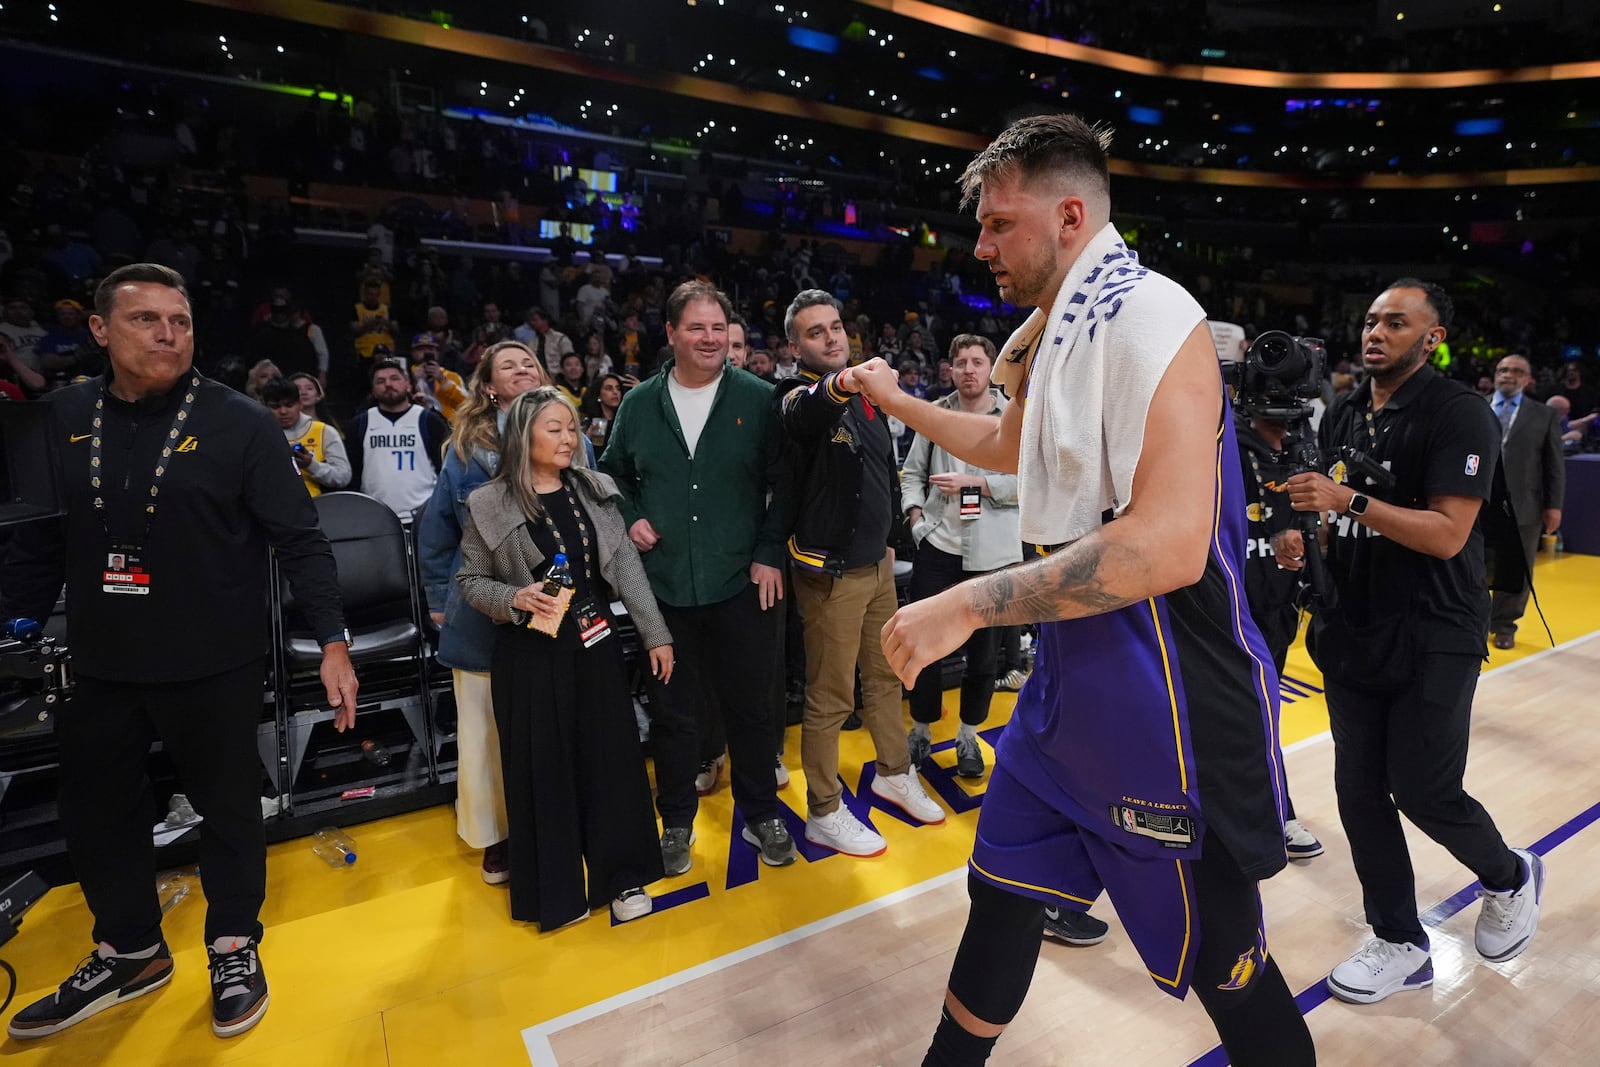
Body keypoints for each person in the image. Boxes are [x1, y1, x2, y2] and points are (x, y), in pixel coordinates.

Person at [847, 114, 1314, 1066]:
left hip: (1167, 696)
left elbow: (1170, 546)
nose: (979, 246)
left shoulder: (1148, 315)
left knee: (1229, 965)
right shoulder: (1067, 325)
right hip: (1066, 693)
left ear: (1068, 215)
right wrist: (894, 400)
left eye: (998, 224)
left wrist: (971, 602)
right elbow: (1007, 444)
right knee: (1003, 899)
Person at [1, 263, 357, 1041]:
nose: (168, 334)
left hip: (216, 659)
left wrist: (333, 639)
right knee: (98, 813)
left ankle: (233, 943)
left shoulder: (240, 421)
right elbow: (31, 548)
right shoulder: (57, 418)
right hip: (98, 660)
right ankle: (130, 949)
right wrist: (14, 629)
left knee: (230, 809)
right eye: (146, 320)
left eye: (181, 321)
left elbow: (300, 540)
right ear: (99, 329)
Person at [1285, 280, 1544, 1004]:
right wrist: (1303, 541)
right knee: (1358, 790)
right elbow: (1326, 512)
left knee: (1425, 788)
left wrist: (1350, 501)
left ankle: (1510, 876)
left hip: (1435, 626)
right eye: (1370, 320)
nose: (1375, 332)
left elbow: (1449, 532)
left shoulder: (1459, 412)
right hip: (1353, 626)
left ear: (1431, 338)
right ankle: (1399, 937)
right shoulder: (1340, 411)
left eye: (1396, 322)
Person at [599, 280, 798, 875]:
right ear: (671, 334)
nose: (709, 338)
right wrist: (631, 517)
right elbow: (610, 477)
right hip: (665, 589)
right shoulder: (637, 406)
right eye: (696, 328)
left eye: (718, 328)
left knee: (755, 709)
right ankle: (678, 821)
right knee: (673, 712)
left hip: (743, 579)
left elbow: (786, 483)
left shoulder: (760, 398)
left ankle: (761, 811)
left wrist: (769, 550)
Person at [455, 387, 673, 929]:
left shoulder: (594, 490)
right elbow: (469, 580)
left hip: (593, 647)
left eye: (572, 428)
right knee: (543, 771)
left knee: (612, 763)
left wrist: (655, 635)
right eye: (554, 428)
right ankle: (557, 892)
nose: (568, 438)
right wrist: (511, 599)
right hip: (529, 655)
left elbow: (625, 569)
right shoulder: (488, 502)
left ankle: (623, 879)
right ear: (523, 435)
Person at [776, 289, 945, 858]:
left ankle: (893, 772)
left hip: (877, 566)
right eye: (816, 332)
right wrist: (845, 383)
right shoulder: (795, 394)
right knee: (829, 698)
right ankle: (823, 810)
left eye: (835, 327)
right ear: (795, 345)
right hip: (831, 574)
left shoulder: (868, 396)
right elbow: (807, 412)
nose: (831, 337)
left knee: (886, 677)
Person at [419, 341, 547, 884]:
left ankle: (550, 824)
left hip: (551, 602)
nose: (522, 369)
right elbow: (438, 530)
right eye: (509, 365)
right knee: (483, 729)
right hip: (478, 605)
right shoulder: (466, 449)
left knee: (547, 720)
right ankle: (498, 837)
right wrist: (435, 599)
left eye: (530, 363)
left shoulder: (570, 435)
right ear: (489, 387)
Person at [900, 334, 1020, 781]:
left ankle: (969, 735)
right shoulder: (935, 413)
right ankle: (920, 729)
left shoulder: (1012, 416)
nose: (968, 369)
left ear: (991, 368)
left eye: (977, 361)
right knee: (925, 646)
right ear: (949, 368)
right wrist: (915, 519)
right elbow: (911, 473)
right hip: (939, 546)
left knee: (984, 655)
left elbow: (1030, 481)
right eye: (960, 362)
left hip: (992, 552)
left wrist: (983, 486)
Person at [1231, 409, 1324, 860]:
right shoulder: (1221, 441)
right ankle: (1276, 809)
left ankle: (1273, 808)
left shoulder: (1301, 448)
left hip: (1277, 610)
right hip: (1223, 608)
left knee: (1262, 715)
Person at [1486, 354, 1563, 649]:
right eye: (1503, 370)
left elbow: (1554, 465)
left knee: (1515, 569)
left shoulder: (1543, 415)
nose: (1509, 375)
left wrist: (1554, 504)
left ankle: (1505, 625)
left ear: (1527, 379)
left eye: (1517, 371)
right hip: (1477, 501)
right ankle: (1475, 621)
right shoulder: (1475, 407)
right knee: (1474, 567)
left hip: (1525, 503)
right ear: (1495, 374)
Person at [345, 359, 451, 521]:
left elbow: (445, 467)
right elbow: (353, 472)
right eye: (381, 381)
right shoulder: (360, 423)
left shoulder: (429, 421)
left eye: (394, 378)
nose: (388, 384)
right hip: (376, 515)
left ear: (408, 384)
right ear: (373, 390)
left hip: (425, 514)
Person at [261, 375, 350, 496]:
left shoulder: (325, 432)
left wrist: (311, 465)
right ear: (265, 407)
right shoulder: (258, 436)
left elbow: (342, 477)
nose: (283, 411)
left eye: (289, 405)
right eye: (275, 406)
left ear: (299, 404)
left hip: (319, 508)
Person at [409, 334, 469, 423]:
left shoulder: (451, 376)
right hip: (416, 423)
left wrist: (443, 380)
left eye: (430, 349)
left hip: (448, 426)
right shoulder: (406, 375)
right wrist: (414, 380)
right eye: (421, 349)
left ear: (437, 353)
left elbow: (466, 403)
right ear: (413, 353)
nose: (426, 352)